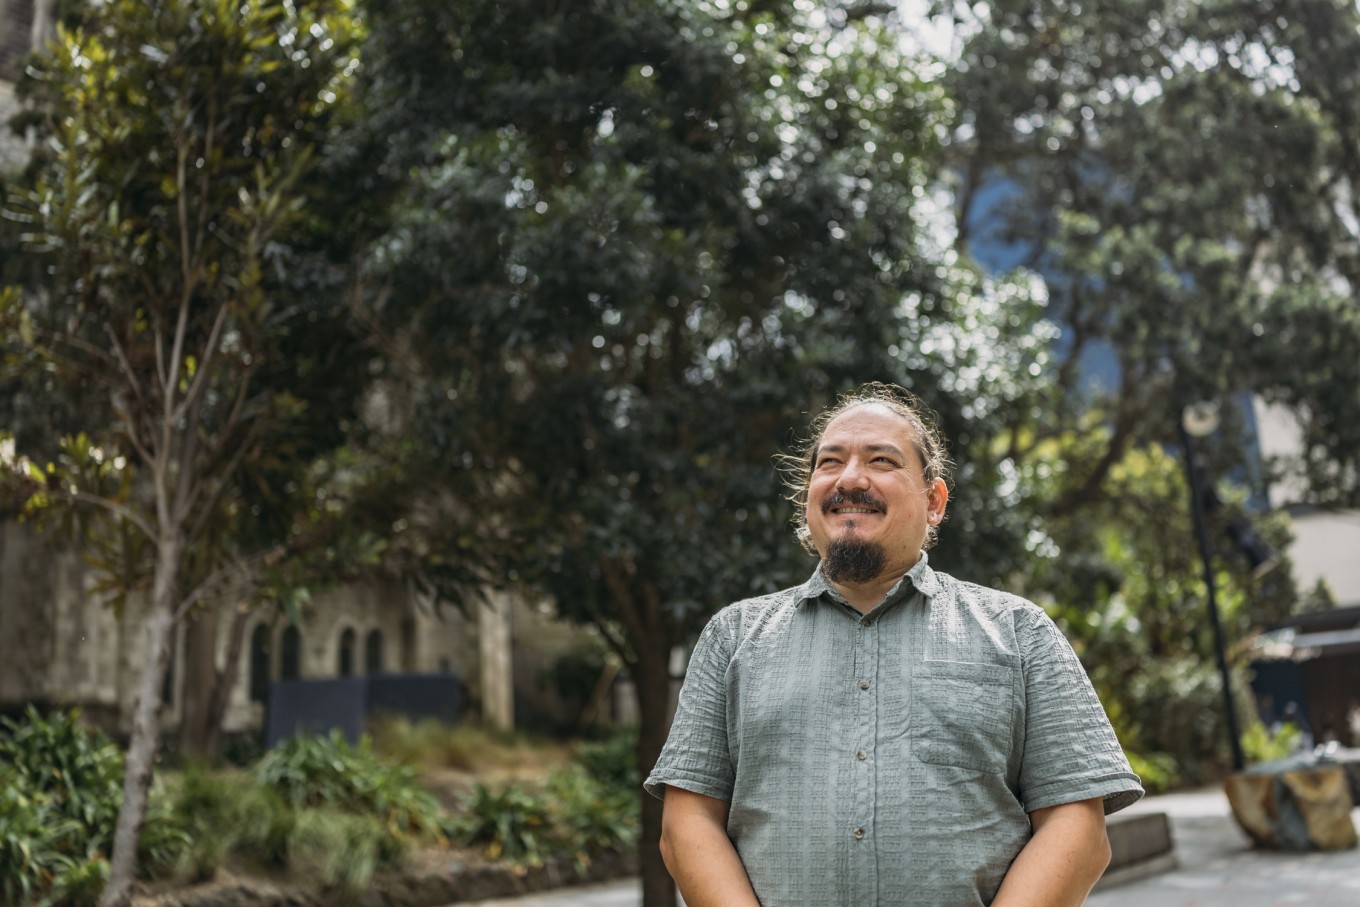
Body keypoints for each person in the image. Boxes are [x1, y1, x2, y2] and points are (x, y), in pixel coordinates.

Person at [645, 383, 1144, 907]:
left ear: (934, 501)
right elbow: (688, 823)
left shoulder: (1021, 631)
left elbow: (1078, 827)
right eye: (830, 462)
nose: (850, 478)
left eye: (881, 460)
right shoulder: (731, 638)